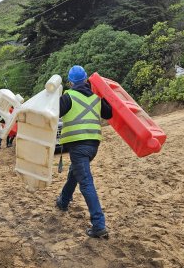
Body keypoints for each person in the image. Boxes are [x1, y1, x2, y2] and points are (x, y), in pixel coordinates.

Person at [56, 65, 112, 239]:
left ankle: (99, 224)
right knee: (75, 173)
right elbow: (109, 113)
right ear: (86, 79)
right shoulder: (96, 98)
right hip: (93, 146)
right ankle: (63, 201)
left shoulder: (68, 97)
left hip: (78, 147)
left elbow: (52, 113)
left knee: (86, 182)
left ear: (71, 82)